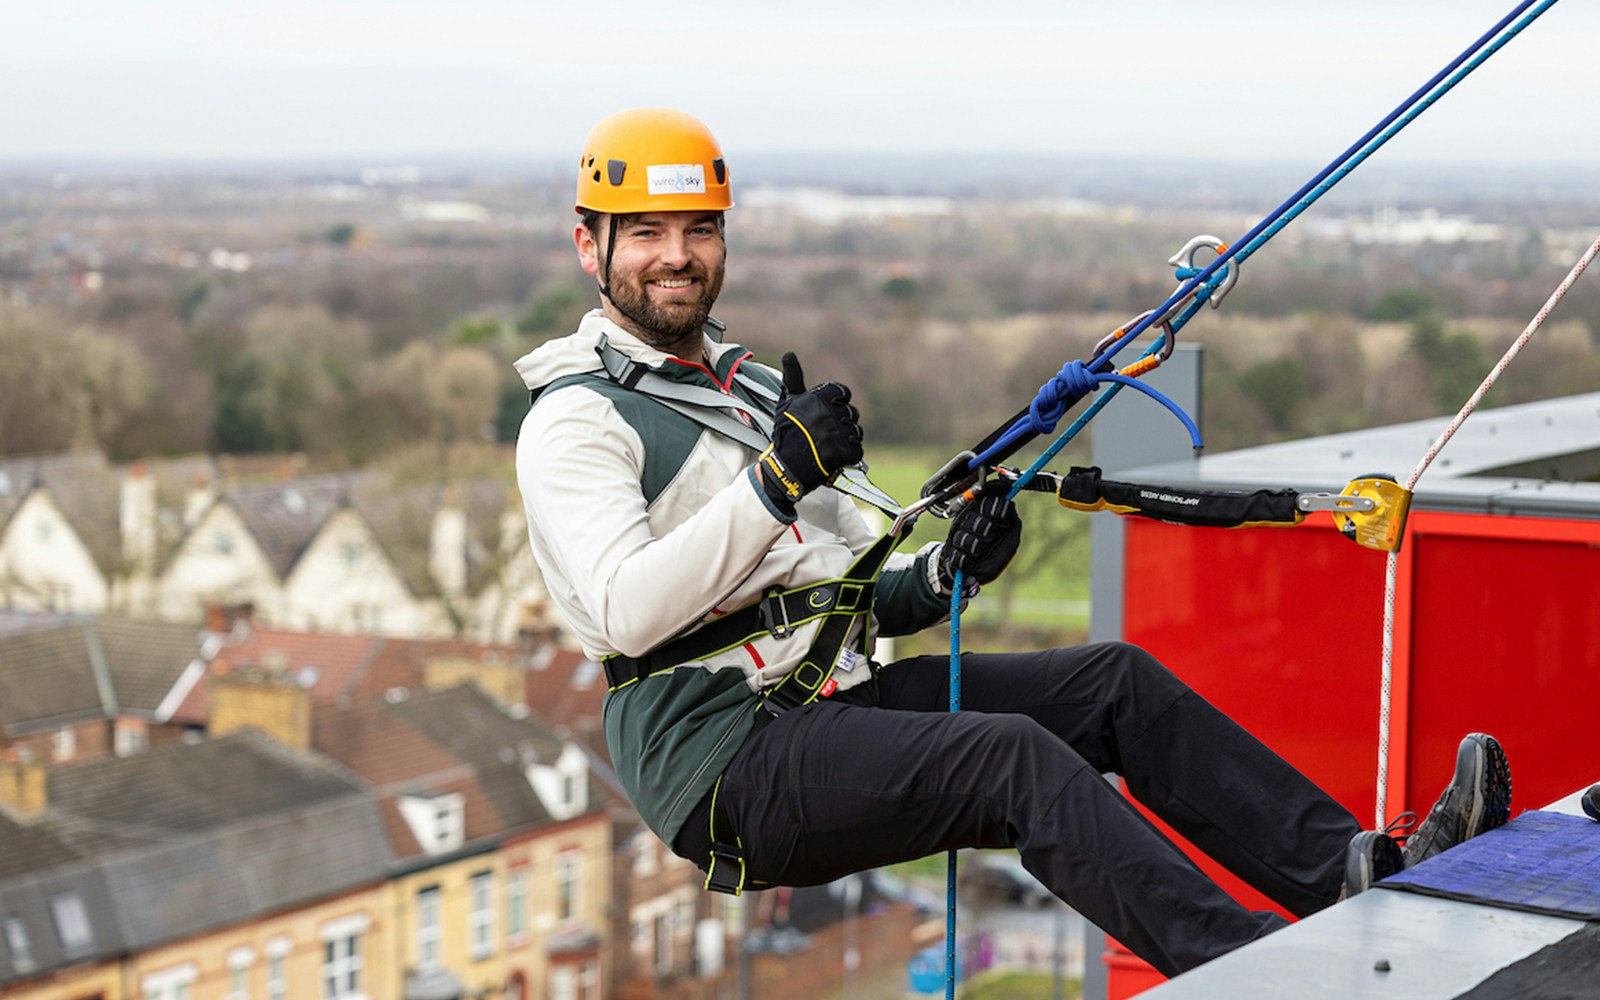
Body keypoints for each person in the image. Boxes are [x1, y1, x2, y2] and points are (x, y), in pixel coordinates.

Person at [513, 107, 1513, 977]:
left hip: (824, 701)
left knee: (1114, 684)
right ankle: (1250, 972)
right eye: (643, 231)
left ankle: (1366, 874)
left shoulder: (751, 391)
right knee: (1010, 759)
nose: (675, 254)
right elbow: (627, 609)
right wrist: (777, 480)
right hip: (720, 764)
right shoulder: (578, 420)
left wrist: (945, 572)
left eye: (696, 229)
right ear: (587, 246)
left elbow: (841, 594)